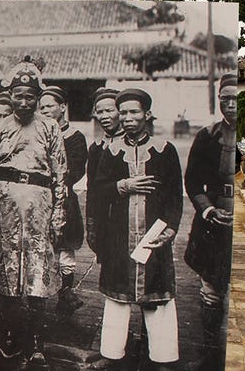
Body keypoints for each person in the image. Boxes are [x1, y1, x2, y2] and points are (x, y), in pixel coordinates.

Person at [87, 88, 183, 370]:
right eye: (124, 112)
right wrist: (122, 186)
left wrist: (170, 229)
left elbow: (175, 196)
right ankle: (112, 353)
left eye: (134, 112)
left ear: (147, 114)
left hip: (154, 233)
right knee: (117, 296)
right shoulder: (111, 152)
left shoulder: (165, 150)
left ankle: (163, 357)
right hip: (119, 235)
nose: (128, 118)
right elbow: (99, 189)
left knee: (158, 297)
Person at [0, 56, 67, 368]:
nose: (24, 101)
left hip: (39, 202)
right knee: (6, 269)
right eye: (18, 95)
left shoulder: (50, 127)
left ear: (37, 98)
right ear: (11, 96)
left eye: (30, 96)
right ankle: (10, 336)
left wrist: (59, 213)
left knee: (36, 270)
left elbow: (60, 175)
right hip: (5, 202)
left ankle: (36, 342)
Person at [183, 73, 237, 370]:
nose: (230, 105)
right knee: (211, 290)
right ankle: (210, 354)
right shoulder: (207, 136)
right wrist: (209, 209)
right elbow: (192, 181)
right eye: (224, 99)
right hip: (214, 222)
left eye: (236, 99)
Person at [38, 85, 87, 315]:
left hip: (64, 197)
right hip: (40, 197)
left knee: (65, 249)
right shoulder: (38, 133)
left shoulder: (75, 137)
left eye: (49, 106)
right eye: (42, 107)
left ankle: (66, 293)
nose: (45, 110)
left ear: (63, 107)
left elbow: (76, 170)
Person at [85, 87, 123, 255]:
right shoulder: (96, 148)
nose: (104, 116)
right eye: (100, 112)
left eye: (109, 110)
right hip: (103, 217)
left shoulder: (131, 146)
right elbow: (92, 189)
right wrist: (91, 224)